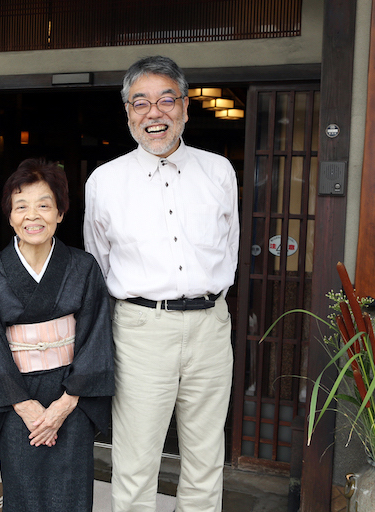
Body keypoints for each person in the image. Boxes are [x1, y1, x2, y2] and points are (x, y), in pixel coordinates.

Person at [83, 55, 239, 512]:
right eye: (141, 103)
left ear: (186, 108)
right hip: (140, 328)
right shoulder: (105, 181)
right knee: (135, 458)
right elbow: (99, 261)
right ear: (128, 113)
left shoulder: (218, 172)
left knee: (206, 455)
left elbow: (227, 251)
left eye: (166, 100)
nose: (155, 113)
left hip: (211, 325)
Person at [0, 158, 114, 512]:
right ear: (9, 215)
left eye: (44, 205)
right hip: (15, 397)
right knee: (22, 491)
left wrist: (67, 404)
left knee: (71, 491)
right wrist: (25, 406)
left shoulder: (83, 266)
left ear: (61, 213)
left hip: (72, 392)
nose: (32, 216)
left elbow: (96, 333)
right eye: (21, 206)